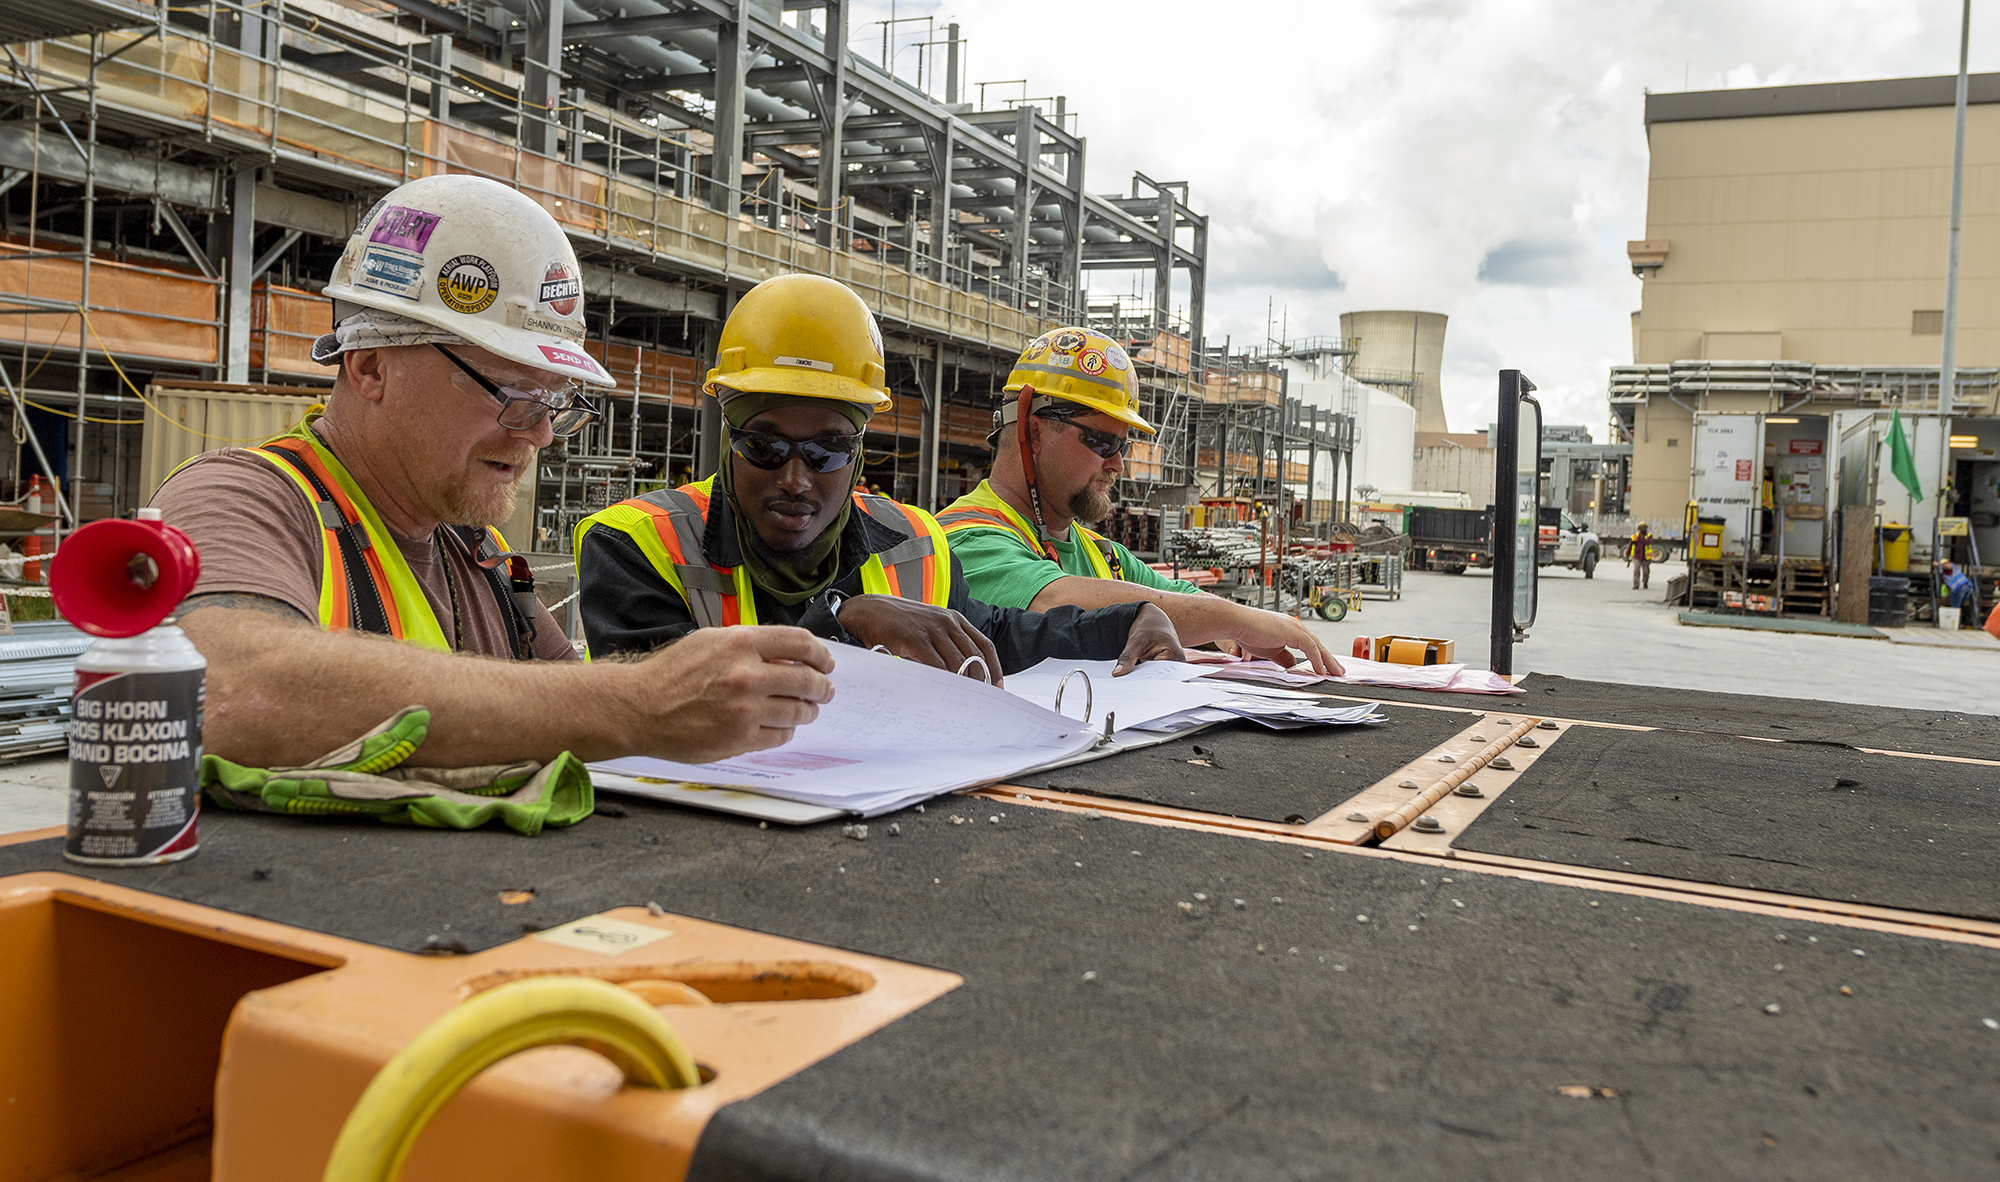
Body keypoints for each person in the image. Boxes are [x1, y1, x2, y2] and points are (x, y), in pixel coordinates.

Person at [152, 175, 835, 771]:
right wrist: (642, 700)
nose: (539, 430)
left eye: (554, 401)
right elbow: (229, 692)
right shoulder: (244, 499)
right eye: (512, 392)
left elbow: (568, 710)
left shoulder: (479, 559)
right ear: (369, 367)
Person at [575, 276, 1183, 681]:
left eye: (828, 451)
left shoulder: (914, 544)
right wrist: (844, 623)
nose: (794, 477)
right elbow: (657, 698)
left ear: (859, 451)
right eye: (764, 446)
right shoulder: (638, 546)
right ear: (728, 438)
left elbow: (1001, 635)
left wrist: (1123, 621)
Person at [935, 327, 1339, 674]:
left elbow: (1173, 597)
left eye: (1123, 445)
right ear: (1034, 432)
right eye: (1102, 441)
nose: (1118, 465)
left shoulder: (1099, 554)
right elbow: (1053, 601)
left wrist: (1230, 630)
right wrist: (1235, 621)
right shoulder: (964, 539)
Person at [1628, 522, 1654, 590]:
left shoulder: (1649, 535)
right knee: (1636, 570)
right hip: (1637, 556)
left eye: (1644, 527)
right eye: (1641, 527)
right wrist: (1628, 554)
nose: (1643, 528)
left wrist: (1640, 538)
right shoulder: (1634, 536)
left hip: (1646, 557)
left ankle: (1645, 582)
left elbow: (1647, 542)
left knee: (1646, 571)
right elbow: (1630, 546)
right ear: (1639, 529)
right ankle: (1635, 585)